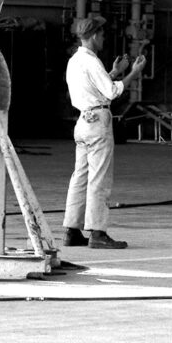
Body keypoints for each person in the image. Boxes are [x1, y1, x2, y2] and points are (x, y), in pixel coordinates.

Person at [61, 13, 133, 250]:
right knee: (99, 178)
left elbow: (96, 86)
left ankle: (72, 230)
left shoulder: (75, 61)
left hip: (82, 121)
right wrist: (135, 72)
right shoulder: (92, 61)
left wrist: (115, 71)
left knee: (79, 177)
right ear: (93, 36)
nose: (103, 38)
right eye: (101, 34)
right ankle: (98, 233)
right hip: (98, 121)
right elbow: (111, 92)